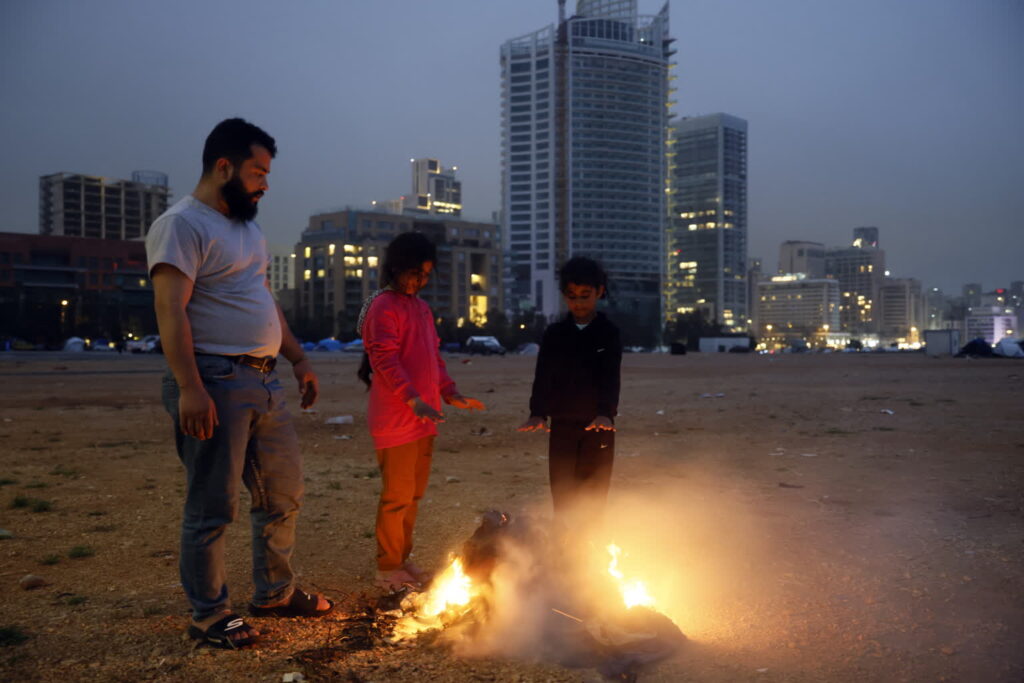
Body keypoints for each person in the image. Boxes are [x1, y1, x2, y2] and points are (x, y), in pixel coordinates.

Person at [146, 118, 332, 649]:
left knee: (283, 494)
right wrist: (190, 388)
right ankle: (209, 615)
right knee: (212, 504)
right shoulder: (181, 225)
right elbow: (171, 312)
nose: (264, 184)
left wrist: (297, 358)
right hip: (215, 379)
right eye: (257, 172)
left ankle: (274, 593)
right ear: (223, 166)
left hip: (265, 379)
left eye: (267, 173)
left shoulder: (248, 229)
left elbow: (263, 301)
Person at [357, 232, 485, 591]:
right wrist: (412, 398)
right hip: (396, 419)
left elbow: (433, 360)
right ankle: (387, 568)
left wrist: (451, 392)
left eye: (426, 274)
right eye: (415, 273)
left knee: (412, 496)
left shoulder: (421, 309)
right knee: (396, 496)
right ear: (396, 267)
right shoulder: (383, 306)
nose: (420, 281)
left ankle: (401, 559)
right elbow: (384, 359)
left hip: (424, 419)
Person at [517, 256, 622, 531]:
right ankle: (563, 559)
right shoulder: (555, 334)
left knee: (593, 498)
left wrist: (605, 413)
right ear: (564, 296)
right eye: (571, 296)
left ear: (599, 292)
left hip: (598, 428)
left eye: (585, 296)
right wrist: (537, 413)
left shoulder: (608, 333)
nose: (578, 303)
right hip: (562, 428)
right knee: (563, 497)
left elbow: (611, 377)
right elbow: (543, 376)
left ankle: (591, 559)